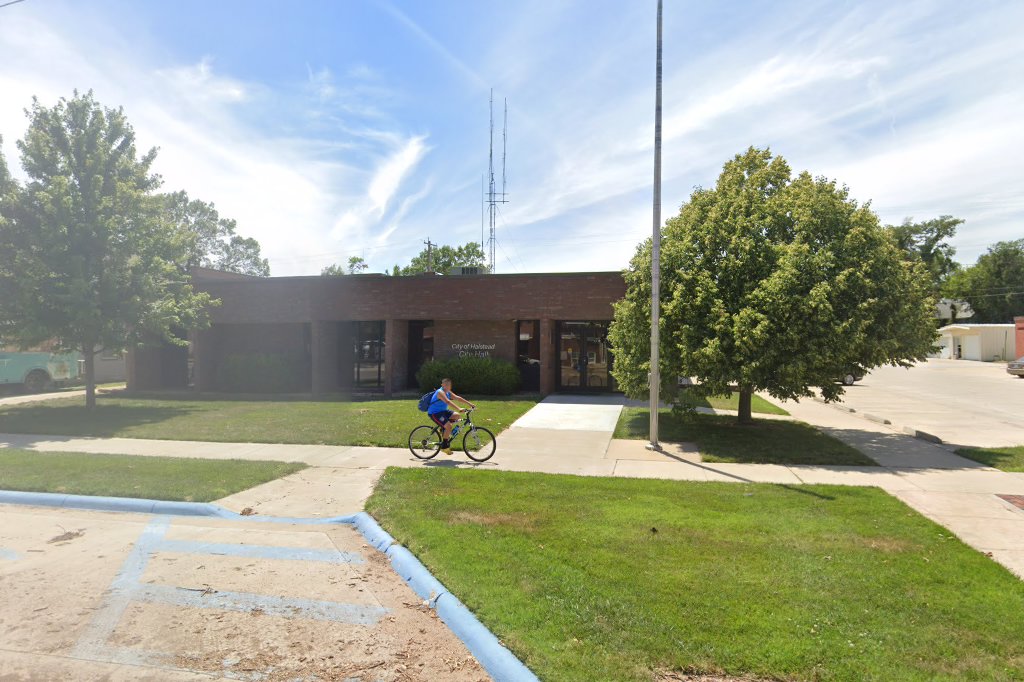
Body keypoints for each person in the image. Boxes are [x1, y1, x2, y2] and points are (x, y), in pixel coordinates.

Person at [426, 378, 476, 454]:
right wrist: (459, 408)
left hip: (442, 411)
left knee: (457, 416)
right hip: (435, 413)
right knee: (449, 426)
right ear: (442, 385)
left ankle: (443, 429)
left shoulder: (448, 392)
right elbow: (447, 401)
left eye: (448, 385)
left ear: (450, 386)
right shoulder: (440, 392)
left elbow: (457, 398)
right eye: (445, 385)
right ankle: (444, 446)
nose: (447, 386)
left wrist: (470, 404)